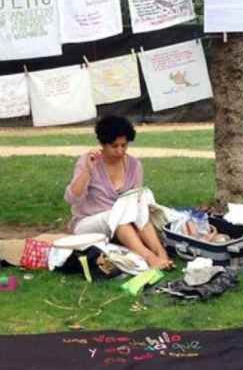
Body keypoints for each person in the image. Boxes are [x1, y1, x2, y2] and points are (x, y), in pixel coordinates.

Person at [64, 115, 172, 271]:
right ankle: (150, 258)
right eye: (114, 146)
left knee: (139, 209)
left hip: (123, 222)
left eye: (124, 145)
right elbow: (71, 198)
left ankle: (161, 253)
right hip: (87, 222)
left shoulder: (134, 165)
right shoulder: (89, 162)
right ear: (103, 144)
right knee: (117, 215)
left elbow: (137, 204)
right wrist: (87, 170)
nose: (120, 151)